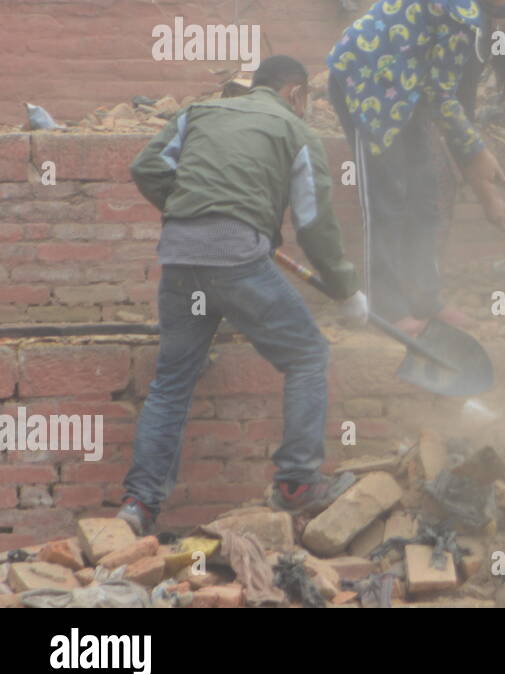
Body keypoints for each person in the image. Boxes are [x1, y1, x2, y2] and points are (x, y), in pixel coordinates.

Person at [119, 55, 367, 535]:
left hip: (180, 259)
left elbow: (146, 165)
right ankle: (297, 483)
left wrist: (192, 209)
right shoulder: (296, 132)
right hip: (237, 262)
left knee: (171, 383)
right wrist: (345, 288)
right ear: (295, 93)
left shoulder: (201, 112)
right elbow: (313, 222)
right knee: (308, 354)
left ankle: (138, 506)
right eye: (307, 100)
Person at [326, 0, 505, 337]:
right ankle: (384, 309)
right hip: (366, 85)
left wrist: (475, 154)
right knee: (385, 200)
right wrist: (478, 151)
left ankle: (426, 300)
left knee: (424, 196)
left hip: (407, 90)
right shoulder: (463, 14)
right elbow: (444, 99)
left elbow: (447, 98)